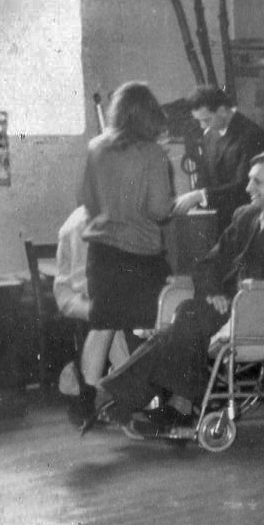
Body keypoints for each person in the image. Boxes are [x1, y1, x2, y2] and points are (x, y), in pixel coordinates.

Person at [97, 151, 264, 433]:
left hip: (261, 314)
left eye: (257, 182)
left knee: (184, 318)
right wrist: (213, 291)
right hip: (227, 307)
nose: (248, 189)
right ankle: (179, 404)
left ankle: (120, 394)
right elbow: (208, 263)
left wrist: (240, 298)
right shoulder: (245, 217)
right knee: (183, 319)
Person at [76, 81, 174, 387]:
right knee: (159, 323)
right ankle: (147, 395)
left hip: (102, 253)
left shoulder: (96, 147)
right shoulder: (153, 153)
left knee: (102, 326)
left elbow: (84, 200)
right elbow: (160, 209)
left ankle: (90, 400)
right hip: (140, 256)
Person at [52, 206, 129, 426]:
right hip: (73, 295)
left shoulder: (107, 215)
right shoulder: (81, 222)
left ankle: (124, 390)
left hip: (96, 293)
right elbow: (80, 280)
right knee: (107, 315)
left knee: (114, 313)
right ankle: (87, 391)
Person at [172, 86, 264, 233]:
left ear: (222, 111)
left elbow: (245, 188)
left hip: (247, 222)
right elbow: (204, 176)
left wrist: (201, 195)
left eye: (206, 120)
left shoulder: (251, 136)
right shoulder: (210, 135)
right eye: (199, 121)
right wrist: (194, 198)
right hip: (220, 221)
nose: (202, 126)